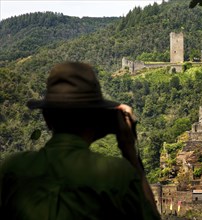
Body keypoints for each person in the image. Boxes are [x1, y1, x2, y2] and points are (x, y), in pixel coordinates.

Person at [0, 62, 160, 219]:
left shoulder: (12, 169)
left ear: (46, 118)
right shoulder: (117, 175)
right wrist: (129, 151)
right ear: (96, 118)